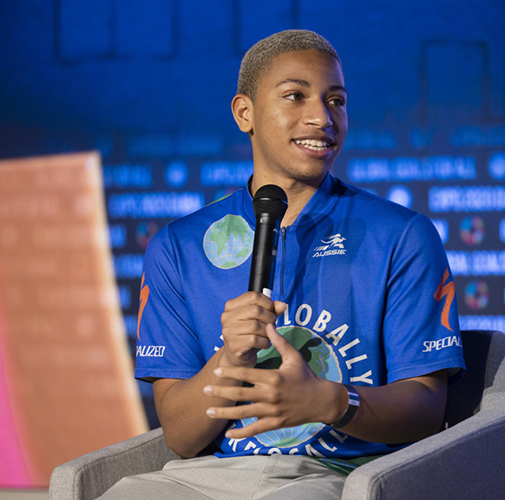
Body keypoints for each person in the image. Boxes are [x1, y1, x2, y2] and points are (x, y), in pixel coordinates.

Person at [100, 29, 464, 500]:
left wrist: (329, 400)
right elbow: (180, 435)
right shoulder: (178, 246)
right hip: (214, 477)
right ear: (244, 113)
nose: (321, 117)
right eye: (296, 96)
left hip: (344, 475)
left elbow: (427, 409)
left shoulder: (401, 235)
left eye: (336, 101)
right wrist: (227, 360)